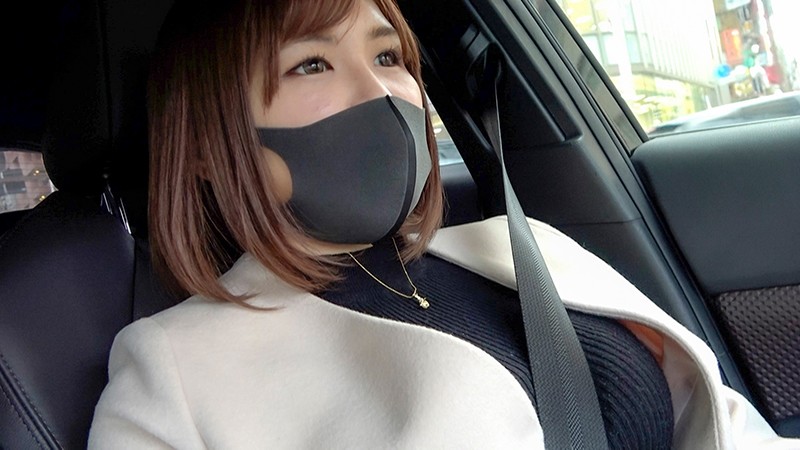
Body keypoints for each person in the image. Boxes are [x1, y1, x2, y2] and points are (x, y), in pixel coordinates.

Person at [88, 0, 797, 448]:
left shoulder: (523, 246)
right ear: (208, 146)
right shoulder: (173, 369)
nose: (381, 90)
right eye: (312, 63)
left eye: (387, 55)